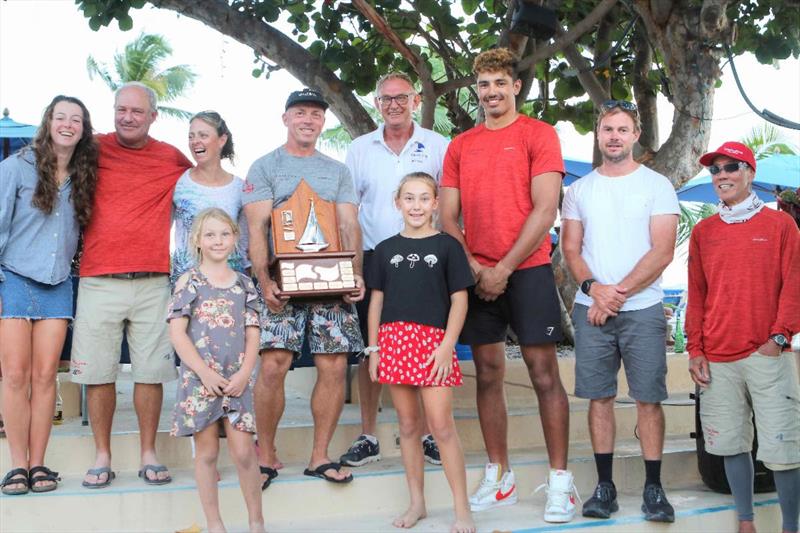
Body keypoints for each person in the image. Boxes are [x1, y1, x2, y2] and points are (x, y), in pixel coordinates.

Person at [439, 47, 577, 522]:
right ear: (476, 90)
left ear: (516, 86)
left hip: (530, 269)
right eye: (483, 85)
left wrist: (504, 268)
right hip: (477, 274)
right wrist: (477, 267)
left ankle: (561, 480)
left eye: (500, 82)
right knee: (489, 373)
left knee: (544, 375)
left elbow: (546, 210)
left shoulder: (539, 134)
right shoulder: (461, 145)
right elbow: (447, 217)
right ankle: (500, 475)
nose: (491, 92)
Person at [561, 100, 679, 523]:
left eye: (622, 129)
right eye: (607, 129)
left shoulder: (657, 185)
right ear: (598, 135)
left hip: (642, 309)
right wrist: (594, 291)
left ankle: (654, 488)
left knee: (648, 398)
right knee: (600, 398)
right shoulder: (579, 190)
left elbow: (663, 250)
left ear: (635, 136)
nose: (614, 136)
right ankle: (604, 487)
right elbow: (570, 250)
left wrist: (616, 295)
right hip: (590, 308)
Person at [70, 82, 192, 488]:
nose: (127, 117)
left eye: (137, 111)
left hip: (154, 281)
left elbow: (204, 186)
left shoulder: (170, 157)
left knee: (150, 372)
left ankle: (148, 453)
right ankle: (102, 455)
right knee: (99, 372)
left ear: (153, 116)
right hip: (98, 279)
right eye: (121, 109)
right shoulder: (92, 148)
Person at [244, 88, 365, 487]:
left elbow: (349, 226)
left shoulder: (337, 171)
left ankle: (320, 456)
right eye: (300, 113)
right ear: (286, 119)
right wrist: (264, 280)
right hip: (281, 282)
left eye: (315, 114)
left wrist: (355, 275)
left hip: (332, 284)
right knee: (274, 363)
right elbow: (258, 231)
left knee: (333, 366)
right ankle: (267, 455)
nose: (308, 120)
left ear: (322, 122)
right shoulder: (265, 167)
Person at [687, 142, 800, 533]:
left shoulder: (781, 225)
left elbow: (795, 285)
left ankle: (790, 526)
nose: (722, 175)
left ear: (748, 172)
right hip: (717, 358)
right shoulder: (704, 232)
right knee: (731, 445)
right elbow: (697, 293)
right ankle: (746, 523)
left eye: (730, 167)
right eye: (715, 170)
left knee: (784, 449)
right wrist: (695, 349)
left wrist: (779, 339)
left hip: (768, 354)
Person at [340, 72, 450, 468]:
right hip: (373, 260)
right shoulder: (359, 148)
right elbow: (348, 212)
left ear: (416, 100)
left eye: (401, 98)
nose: (393, 105)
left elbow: (449, 205)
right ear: (377, 103)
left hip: (426, 262)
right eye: (385, 99)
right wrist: (355, 267)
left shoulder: (438, 145)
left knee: (422, 343)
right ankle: (369, 434)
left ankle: (423, 436)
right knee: (370, 349)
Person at [366, 172, 475, 533]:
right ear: (398, 203)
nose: (416, 205)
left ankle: (462, 510)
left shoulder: (447, 247)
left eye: (424, 198)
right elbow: (376, 302)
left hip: (434, 345)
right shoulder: (384, 250)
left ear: (435, 203)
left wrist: (447, 347)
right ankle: (417, 503)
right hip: (394, 342)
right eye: (409, 198)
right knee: (408, 425)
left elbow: (460, 299)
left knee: (441, 426)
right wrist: (374, 350)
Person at [0, 95, 98, 495]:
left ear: (83, 128)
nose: (68, 124)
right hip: (13, 279)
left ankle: (39, 464)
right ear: (48, 122)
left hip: (58, 284)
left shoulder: (85, 172)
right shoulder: (15, 168)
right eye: (61, 117)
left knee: (45, 378)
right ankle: (15, 466)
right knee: (15, 376)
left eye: (76, 119)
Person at [168, 208, 265, 533]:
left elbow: (253, 333)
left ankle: (256, 522)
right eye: (210, 234)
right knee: (207, 453)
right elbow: (177, 334)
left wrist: (245, 374)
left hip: (236, 380)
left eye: (224, 233)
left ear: (235, 238)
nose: (218, 240)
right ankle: (215, 524)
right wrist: (204, 374)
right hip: (200, 383)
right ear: (197, 240)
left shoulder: (245, 285)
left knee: (244, 453)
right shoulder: (188, 282)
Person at [171, 111, 249, 284]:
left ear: (222, 140)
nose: (195, 141)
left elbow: (244, 244)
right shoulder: (178, 182)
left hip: (230, 285)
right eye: (191, 136)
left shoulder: (240, 188)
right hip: (186, 285)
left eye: (203, 135)